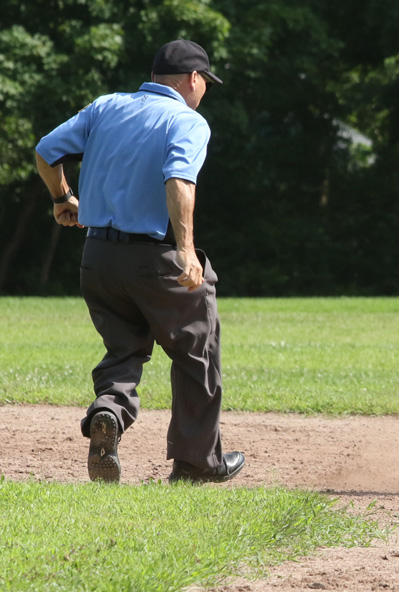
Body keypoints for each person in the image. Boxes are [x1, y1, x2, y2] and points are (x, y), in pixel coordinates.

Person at [34, 39, 244, 484]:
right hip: (156, 259)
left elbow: (46, 149)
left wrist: (62, 198)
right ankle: (196, 464)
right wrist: (186, 251)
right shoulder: (187, 121)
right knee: (196, 353)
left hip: (98, 257)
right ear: (192, 79)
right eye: (205, 81)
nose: (204, 89)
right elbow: (179, 181)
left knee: (123, 350)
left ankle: (107, 412)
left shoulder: (106, 107)